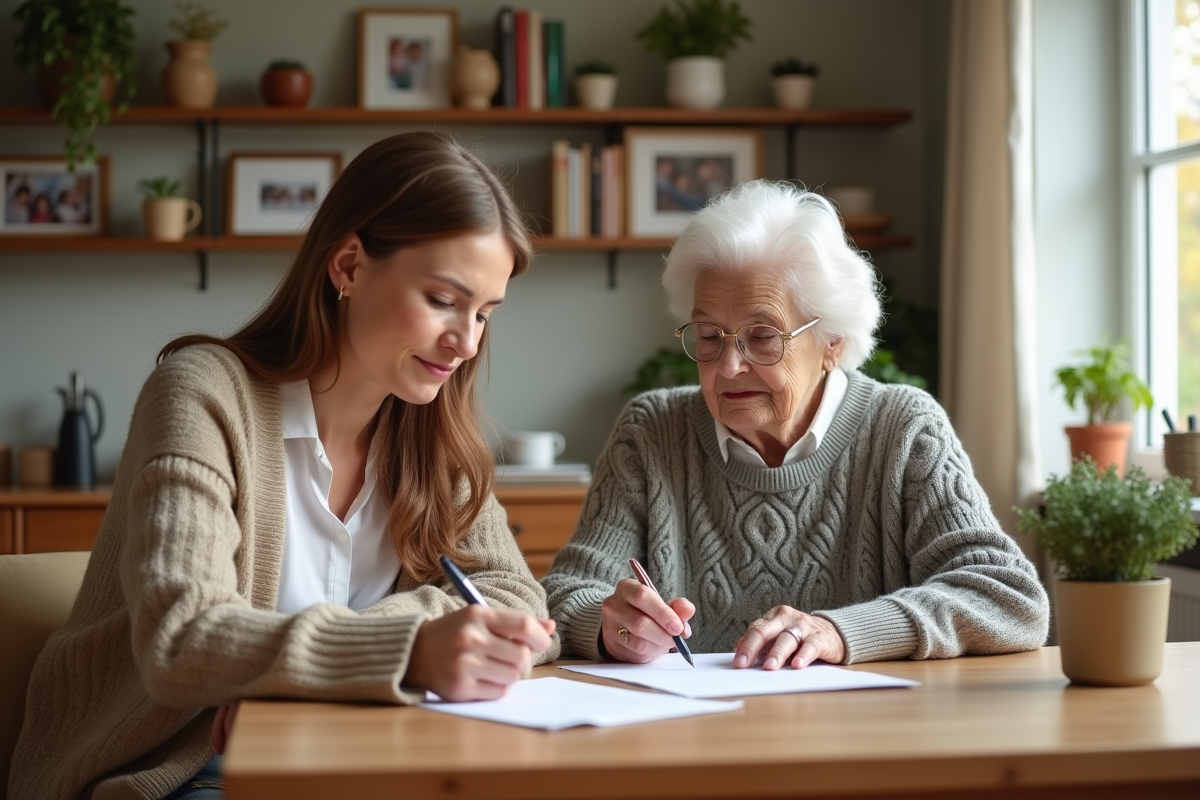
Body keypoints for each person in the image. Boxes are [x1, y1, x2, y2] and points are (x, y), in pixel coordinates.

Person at [9, 132, 558, 800]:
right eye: (444, 300)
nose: (466, 342)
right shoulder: (201, 394)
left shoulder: (436, 431)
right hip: (171, 766)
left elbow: (517, 601)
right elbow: (183, 640)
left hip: (352, 754)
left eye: (484, 314)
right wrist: (413, 648)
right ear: (350, 265)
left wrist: (294, 672)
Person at [542, 180, 1049, 671]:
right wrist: (610, 627)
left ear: (832, 342)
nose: (726, 367)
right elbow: (564, 594)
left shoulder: (903, 430)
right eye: (708, 335)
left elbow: (1008, 597)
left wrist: (842, 632)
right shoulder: (651, 432)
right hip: (692, 740)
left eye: (762, 336)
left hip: (861, 742)